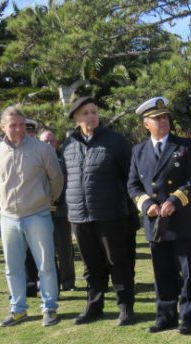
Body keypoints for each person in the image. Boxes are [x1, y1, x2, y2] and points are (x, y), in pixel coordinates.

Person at [128, 96, 191, 335]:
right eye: (156, 118)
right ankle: (165, 316)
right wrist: (146, 203)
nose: (163, 121)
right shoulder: (138, 151)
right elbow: (132, 185)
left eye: (165, 117)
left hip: (180, 219)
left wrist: (174, 200)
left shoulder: (184, 146)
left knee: (188, 272)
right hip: (155, 221)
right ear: (145, 124)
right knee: (162, 272)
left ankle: (188, 317)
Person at [61, 96, 136, 326]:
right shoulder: (68, 145)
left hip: (110, 214)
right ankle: (94, 306)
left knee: (118, 263)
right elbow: (65, 178)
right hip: (79, 216)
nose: (91, 116)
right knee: (91, 265)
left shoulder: (115, 141)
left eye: (94, 111)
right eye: (86, 113)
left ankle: (125, 307)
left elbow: (129, 177)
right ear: (76, 117)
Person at [0, 106, 64, 327]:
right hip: (8, 217)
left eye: (21, 124)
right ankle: (18, 309)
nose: (18, 129)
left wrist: (46, 199)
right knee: (13, 267)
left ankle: (49, 308)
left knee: (46, 265)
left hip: (38, 214)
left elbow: (56, 179)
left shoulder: (42, 149)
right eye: (13, 125)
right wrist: (5, 203)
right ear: (3, 127)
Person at [39, 130, 76, 291]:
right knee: (45, 250)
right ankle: (50, 282)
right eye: (45, 142)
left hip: (62, 210)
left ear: (56, 143)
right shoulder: (36, 158)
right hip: (41, 209)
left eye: (51, 141)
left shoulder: (65, 159)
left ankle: (68, 282)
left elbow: (69, 182)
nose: (48, 144)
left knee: (64, 249)